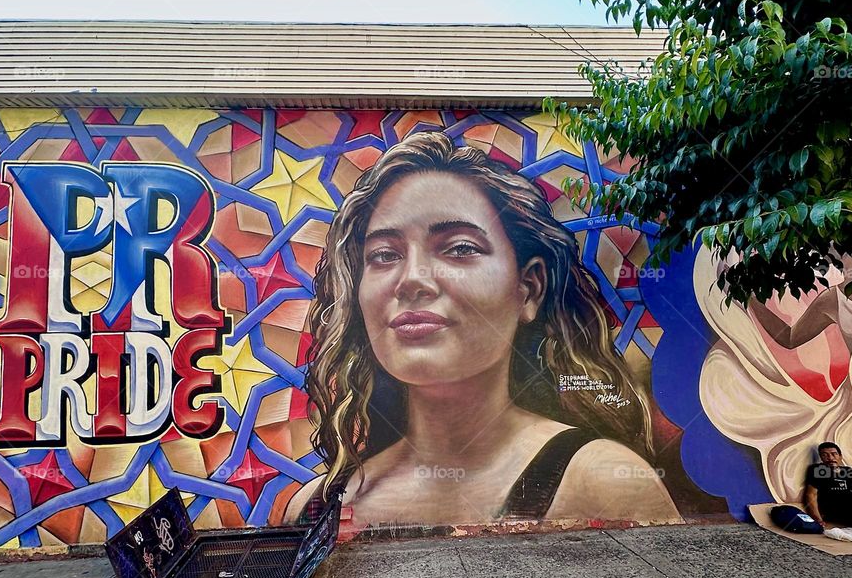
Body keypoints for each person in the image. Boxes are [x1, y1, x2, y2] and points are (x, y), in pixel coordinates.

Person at [283, 131, 680, 528]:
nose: (412, 280)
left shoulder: (603, 483)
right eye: (384, 255)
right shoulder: (314, 507)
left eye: (459, 248)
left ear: (529, 289)